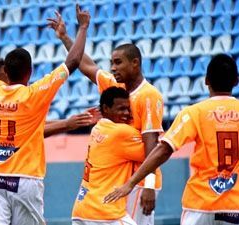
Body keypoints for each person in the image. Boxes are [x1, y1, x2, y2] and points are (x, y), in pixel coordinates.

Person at [0, 4, 90, 225]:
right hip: (25, 178)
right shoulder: (34, 95)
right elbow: (73, 61)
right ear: (30, 72)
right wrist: (83, 27)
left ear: (6, 73)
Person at [48, 12, 163, 224]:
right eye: (111, 62)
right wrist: (64, 37)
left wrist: (149, 186)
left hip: (138, 181)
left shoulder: (150, 96)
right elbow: (87, 66)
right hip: (117, 180)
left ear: (135, 63)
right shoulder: (114, 86)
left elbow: (152, 146)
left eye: (118, 63)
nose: (113, 68)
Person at [104, 54, 239, 225]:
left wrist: (131, 183)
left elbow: (164, 149)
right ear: (236, 81)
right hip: (235, 206)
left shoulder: (194, 113)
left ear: (206, 81)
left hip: (200, 205)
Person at [0, 59, 98, 207]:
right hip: (3, 181)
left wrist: (74, 120)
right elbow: (29, 133)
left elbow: (34, 126)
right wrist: (67, 124)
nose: (10, 79)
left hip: (5, 180)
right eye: (6, 76)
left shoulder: (5, 105)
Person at [72, 86, 146, 225]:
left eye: (128, 109)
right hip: (104, 214)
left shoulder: (98, 127)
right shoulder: (121, 132)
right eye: (121, 109)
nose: (127, 113)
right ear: (106, 109)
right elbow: (154, 151)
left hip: (81, 210)